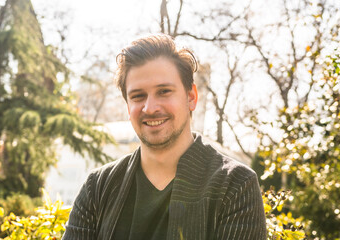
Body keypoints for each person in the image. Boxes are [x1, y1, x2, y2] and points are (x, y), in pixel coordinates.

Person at [62, 34, 266, 240]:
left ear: (191, 98)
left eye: (164, 91)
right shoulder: (97, 187)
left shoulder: (234, 185)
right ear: (127, 106)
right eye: (138, 96)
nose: (150, 108)